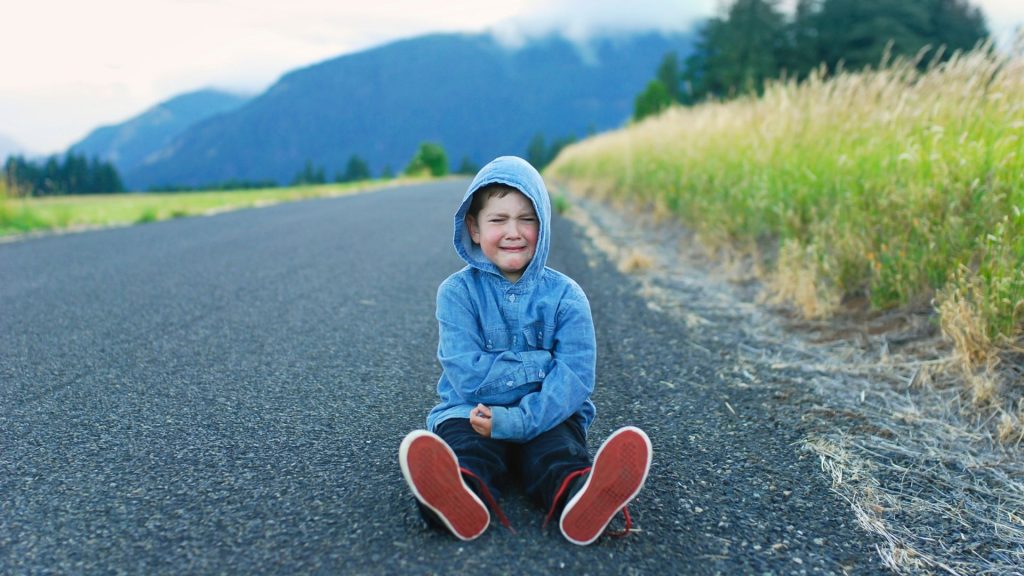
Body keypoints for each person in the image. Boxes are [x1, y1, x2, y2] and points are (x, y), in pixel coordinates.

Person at [398, 156, 652, 545]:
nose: (513, 232)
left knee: (556, 454)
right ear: (474, 228)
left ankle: (583, 496)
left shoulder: (567, 297)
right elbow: (469, 376)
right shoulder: (456, 293)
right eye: (498, 220)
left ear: (544, 226)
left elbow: (574, 379)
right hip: (472, 413)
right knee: (469, 452)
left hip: (549, 413)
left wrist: (517, 420)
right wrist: (543, 365)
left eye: (527, 219)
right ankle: (452, 497)